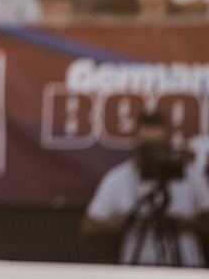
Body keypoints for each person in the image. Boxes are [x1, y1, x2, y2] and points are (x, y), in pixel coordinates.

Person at [80, 110, 209, 267]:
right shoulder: (118, 178)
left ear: (169, 142)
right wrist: (114, 225)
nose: (153, 154)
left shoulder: (190, 176)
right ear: (135, 142)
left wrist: (186, 225)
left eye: (159, 146)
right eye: (147, 147)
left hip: (184, 269)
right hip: (136, 270)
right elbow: (88, 227)